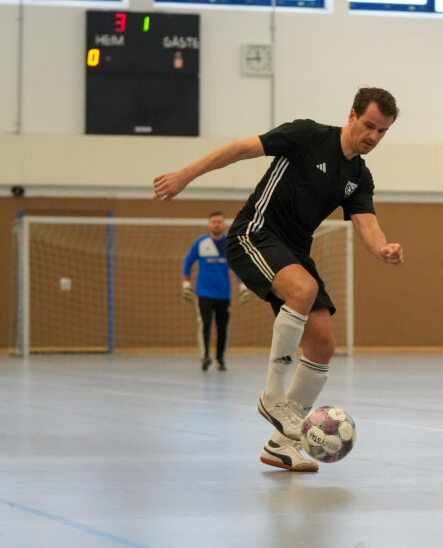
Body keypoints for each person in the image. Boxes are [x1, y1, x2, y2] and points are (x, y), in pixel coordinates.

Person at [154, 87, 404, 473]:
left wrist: (383, 249)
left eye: (383, 131)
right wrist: (186, 174)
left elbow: (367, 224)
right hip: (254, 234)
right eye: (369, 125)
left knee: (323, 344)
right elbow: (239, 149)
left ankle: (281, 445)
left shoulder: (358, 176)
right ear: (351, 115)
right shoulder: (307, 136)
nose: (373, 136)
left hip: (295, 251)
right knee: (303, 290)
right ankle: (273, 399)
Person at [182, 211, 249, 371]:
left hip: (224, 293)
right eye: (214, 222)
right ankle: (205, 357)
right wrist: (186, 283)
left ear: (224, 224)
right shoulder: (200, 243)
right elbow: (187, 262)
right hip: (203, 293)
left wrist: (242, 284)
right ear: (209, 224)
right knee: (204, 324)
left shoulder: (229, 243)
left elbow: (237, 264)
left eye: (219, 222)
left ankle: (220, 359)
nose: (216, 224)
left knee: (222, 327)